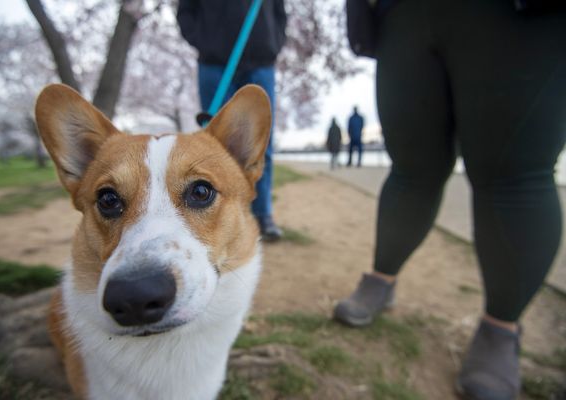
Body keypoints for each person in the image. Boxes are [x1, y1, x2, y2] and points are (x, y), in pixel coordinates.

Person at [334, 1, 566, 400]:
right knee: (410, 168)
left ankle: (501, 326)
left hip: (521, 16)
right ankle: (381, 279)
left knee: (513, 175)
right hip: (403, 16)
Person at [177, 0, 287, 242]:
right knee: (211, 145)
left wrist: (272, 44)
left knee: (259, 146)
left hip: (261, 60)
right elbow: (186, 11)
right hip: (214, 63)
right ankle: (211, 216)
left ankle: (263, 214)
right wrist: (206, 42)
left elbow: (279, 13)